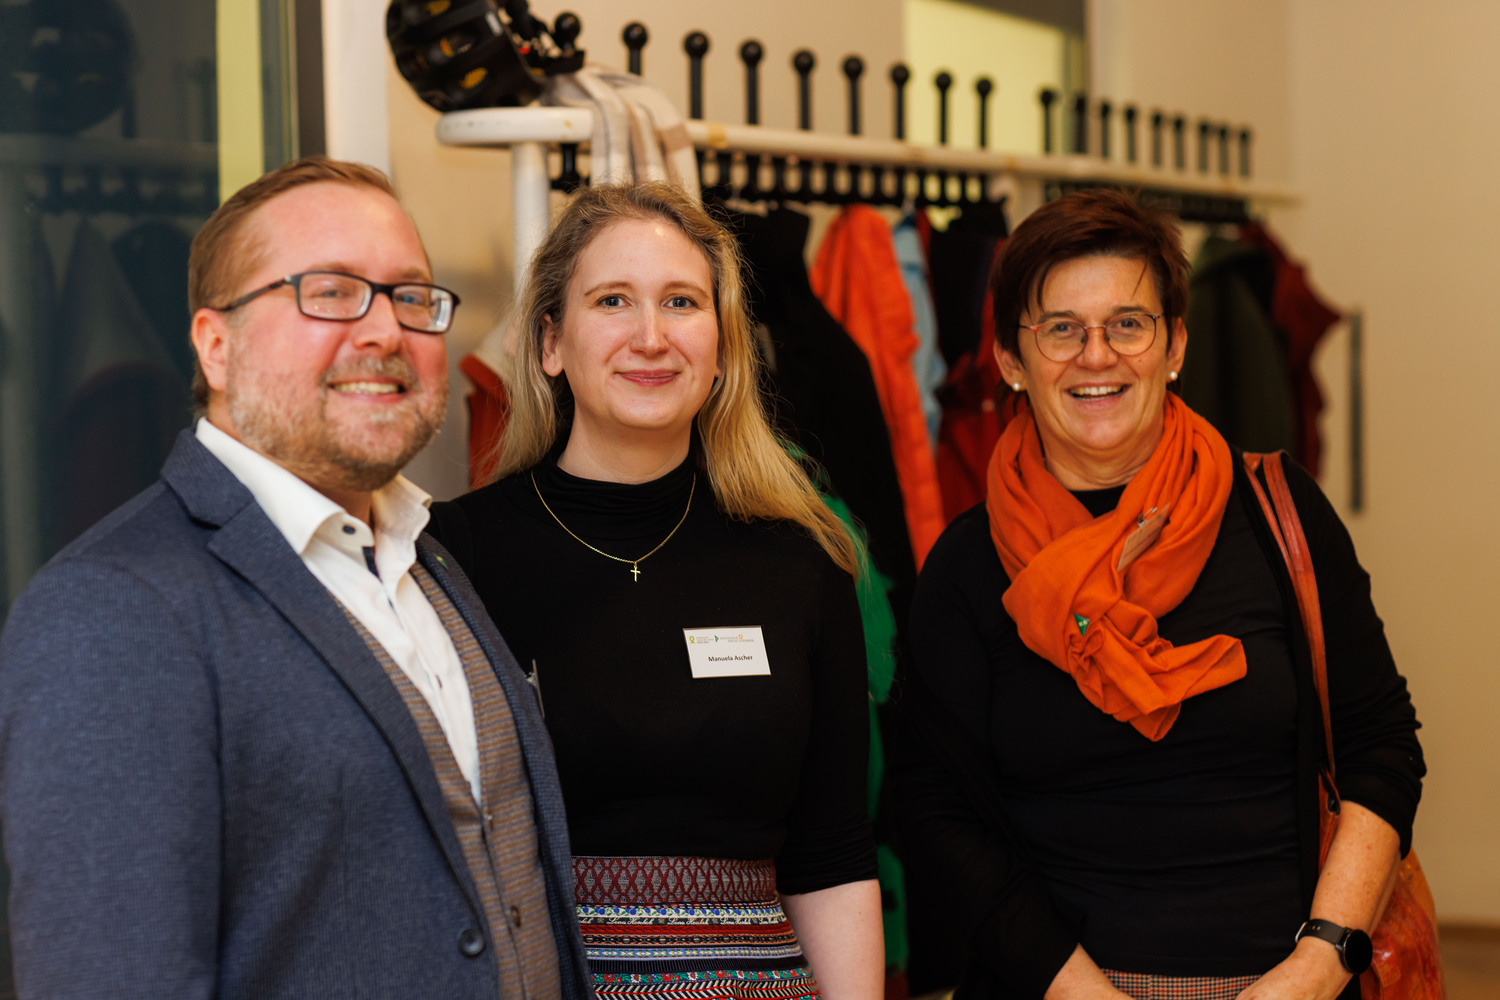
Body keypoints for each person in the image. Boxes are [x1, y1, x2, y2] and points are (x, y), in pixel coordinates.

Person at [0, 156, 589, 999]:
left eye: (410, 296)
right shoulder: (112, 609)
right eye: (331, 292)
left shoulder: (431, 557)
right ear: (217, 347)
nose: (385, 331)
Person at [892, 189, 1424, 1000]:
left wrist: (1323, 961)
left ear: (1174, 344)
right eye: (1060, 329)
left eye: (1127, 324)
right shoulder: (967, 566)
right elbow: (937, 809)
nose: (1096, 355)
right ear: (1008, 360)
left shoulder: (1278, 513)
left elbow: (1379, 745)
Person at [426, 182, 884, 999]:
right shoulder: (455, 556)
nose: (651, 336)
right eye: (612, 300)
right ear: (550, 343)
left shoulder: (803, 559)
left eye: (681, 302)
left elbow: (833, 857)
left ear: (723, 346)